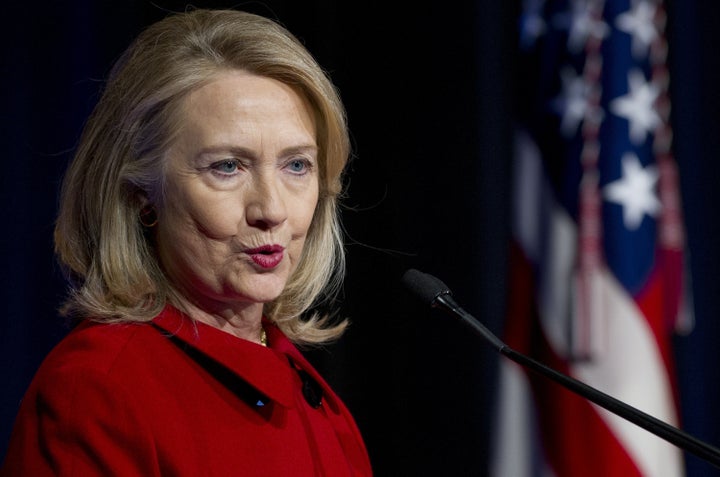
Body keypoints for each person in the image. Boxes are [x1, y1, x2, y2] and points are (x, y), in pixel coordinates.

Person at [0, 8, 372, 476]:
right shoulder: (99, 391)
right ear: (141, 195)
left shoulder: (318, 405)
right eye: (228, 167)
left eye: (296, 165)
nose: (272, 209)